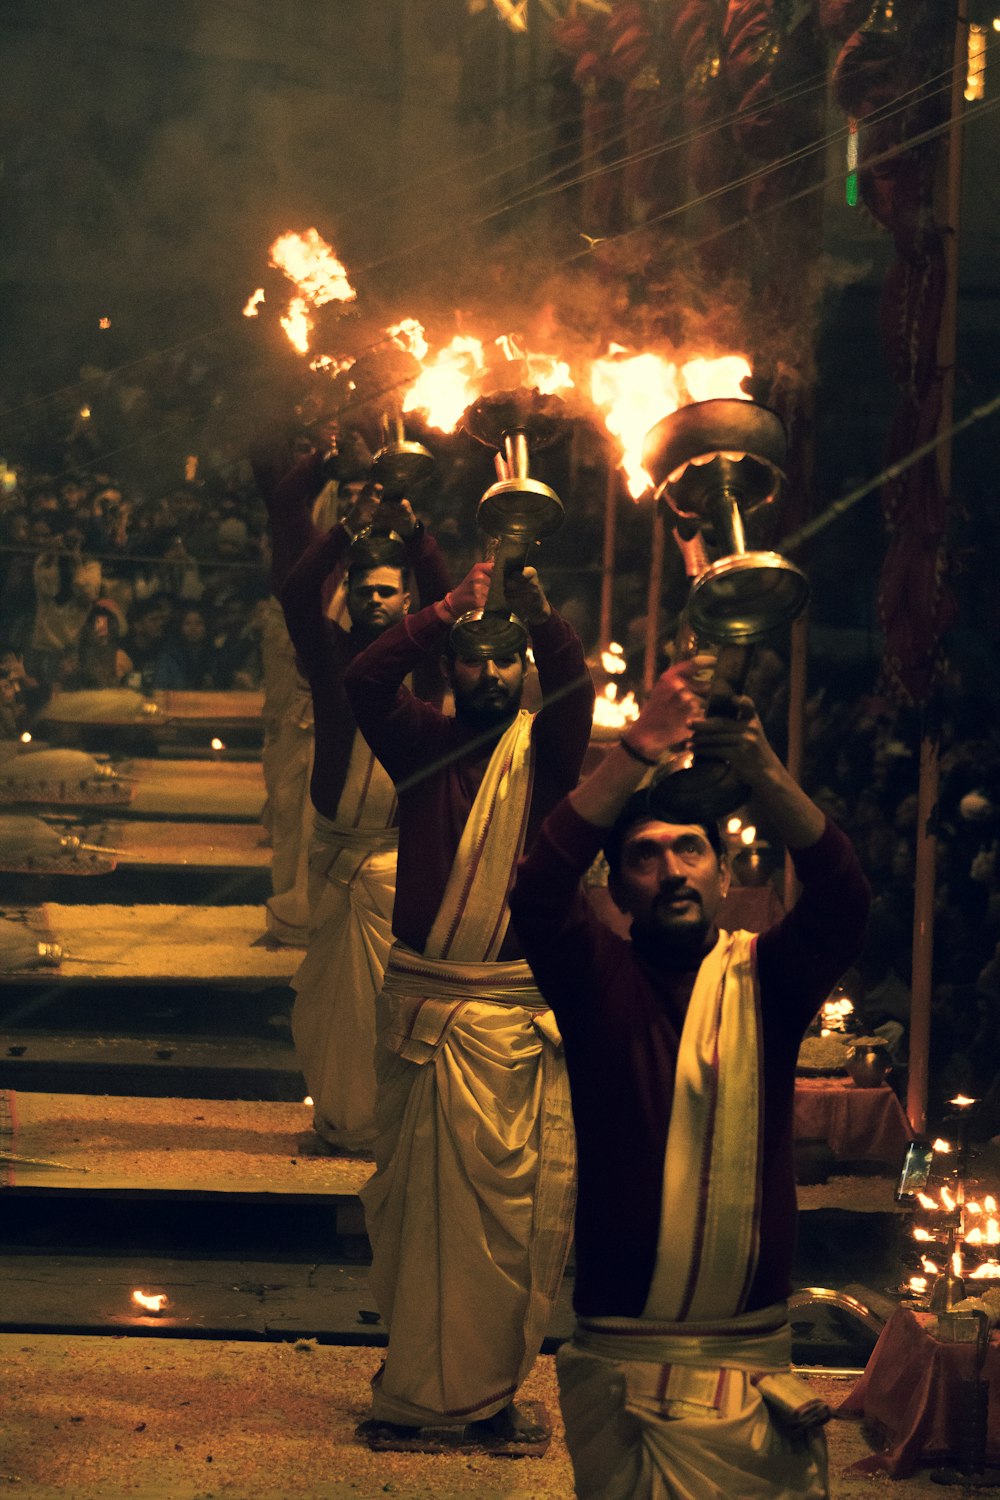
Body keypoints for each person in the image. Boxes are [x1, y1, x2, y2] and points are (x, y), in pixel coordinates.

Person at [508, 656, 871, 1499]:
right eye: (644, 858)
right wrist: (634, 752)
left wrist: (760, 766)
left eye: (690, 850)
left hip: (748, 1356)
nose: (672, 870)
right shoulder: (597, 976)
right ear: (618, 893)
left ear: (722, 873)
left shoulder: (767, 980)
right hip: (623, 1350)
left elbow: (844, 900)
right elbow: (537, 889)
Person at [344, 560, 594, 1449]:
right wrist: (448, 606)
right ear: (447, 669)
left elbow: (575, 688)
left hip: (508, 1024)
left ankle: (486, 1390)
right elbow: (362, 677)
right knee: (414, 1215)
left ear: (523, 667)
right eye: (471, 659)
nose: (489, 675)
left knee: (510, 1221)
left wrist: (541, 614)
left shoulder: (551, 752)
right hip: (424, 1014)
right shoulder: (421, 746)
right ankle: (413, 1385)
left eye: (506, 660)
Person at [280, 487, 450, 1151]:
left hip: (402, 859)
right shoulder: (330, 654)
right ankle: (344, 1118)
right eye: (363, 589)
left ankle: (393, 1122)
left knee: (396, 1002)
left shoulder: (432, 661)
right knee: (333, 1006)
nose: (374, 601)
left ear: (408, 599)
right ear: (346, 593)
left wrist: (418, 539)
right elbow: (296, 593)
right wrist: (342, 535)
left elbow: (459, 613)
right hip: (337, 854)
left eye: (387, 591)